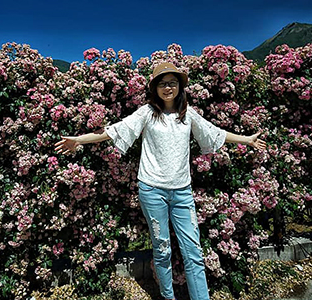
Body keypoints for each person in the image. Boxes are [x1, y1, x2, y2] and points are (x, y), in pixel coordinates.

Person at [55, 62, 267, 300]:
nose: (168, 88)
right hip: (152, 190)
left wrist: (247, 140)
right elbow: (114, 130)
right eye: (162, 83)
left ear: (180, 86)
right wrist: (79, 141)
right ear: (154, 87)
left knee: (193, 251)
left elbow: (214, 132)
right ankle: (168, 297)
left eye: (172, 83)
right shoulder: (147, 113)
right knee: (162, 249)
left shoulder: (189, 115)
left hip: (182, 193)